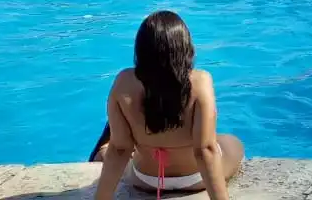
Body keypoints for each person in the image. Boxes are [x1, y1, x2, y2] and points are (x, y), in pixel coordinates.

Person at [91, 11, 244, 200]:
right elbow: (205, 150)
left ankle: (103, 150)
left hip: (146, 179)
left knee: (116, 147)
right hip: (195, 179)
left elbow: (121, 149)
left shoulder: (124, 82)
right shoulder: (200, 81)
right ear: (185, 46)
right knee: (232, 142)